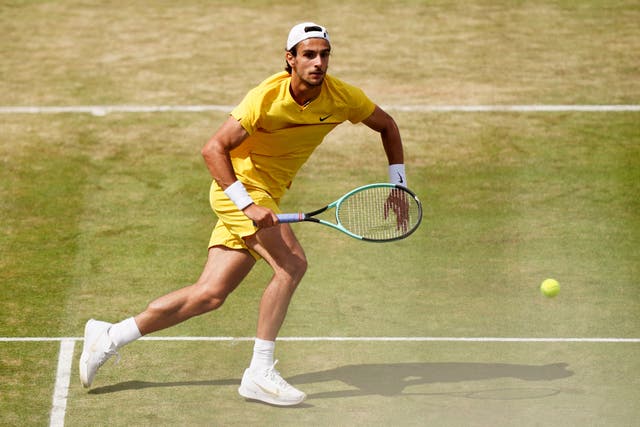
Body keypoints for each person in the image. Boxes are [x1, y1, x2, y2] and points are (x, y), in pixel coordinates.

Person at [79, 22, 407, 407]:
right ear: (290, 59)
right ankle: (259, 372)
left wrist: (397, 185)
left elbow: (386, 125)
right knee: (292, 265)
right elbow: (212, 148)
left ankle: (109, 336)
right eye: (308, 55)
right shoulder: (264, 98)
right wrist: (248, 205)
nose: (318, 63)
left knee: (209, 295)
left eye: (324, 54)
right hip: (239, 190)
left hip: (267, 195)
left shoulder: (343, 98)